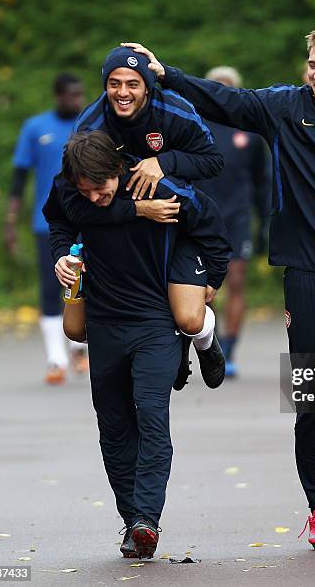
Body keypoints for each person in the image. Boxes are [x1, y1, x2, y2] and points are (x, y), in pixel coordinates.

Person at [122, 20, 315, 551]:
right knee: (314, 401)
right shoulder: (286, 107)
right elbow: (226, 101)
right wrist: (167, 76)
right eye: (312, 64)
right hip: (306, 278)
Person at [43, 131, 231, 558]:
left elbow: (216, 230)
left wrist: (210, 283)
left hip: (154, 321)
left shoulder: (159, 188)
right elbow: (61, 221)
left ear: (119, 172)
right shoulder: (72, 191)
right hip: (104, 321)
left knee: (149, 414)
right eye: (84, 191)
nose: (92, 198)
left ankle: (148, 518)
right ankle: (133, 524)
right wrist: (61, 254)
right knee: (113, 426)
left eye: (101, 188)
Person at [68, 46, 226, 389]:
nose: (123, 92)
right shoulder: (90, 126)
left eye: (132, 84)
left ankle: (203, 338)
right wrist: (136, 208)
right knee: (77, 328)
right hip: (121, 227)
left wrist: (165, 162)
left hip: (176, 219)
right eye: (114, 83)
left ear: (147, 87)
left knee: (188, 317)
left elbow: (213, 161)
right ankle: (163, 355)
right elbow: (71, 198)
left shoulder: (174, 111)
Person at [5, 73, 88, 385]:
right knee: (53, 287)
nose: (76, 101)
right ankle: (56, 359)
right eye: (70, 95)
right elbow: (18, 178)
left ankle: (80, 349)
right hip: (47, 223)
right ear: (57, 96)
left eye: (80, 94)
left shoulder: (89, 125)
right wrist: (10, 222)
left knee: (88, 285)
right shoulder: (36, 128)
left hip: (88, 220)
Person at [199, 65, 271, 377]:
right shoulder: (194, 127)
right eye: (215, 86)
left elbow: (262, 181)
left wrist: (267, 222)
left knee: (237, 281)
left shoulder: (250, 133)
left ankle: (230, 347)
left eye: (227, 87)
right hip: (202, 220)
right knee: (203, 287)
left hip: (238, 218)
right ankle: (211, 341)